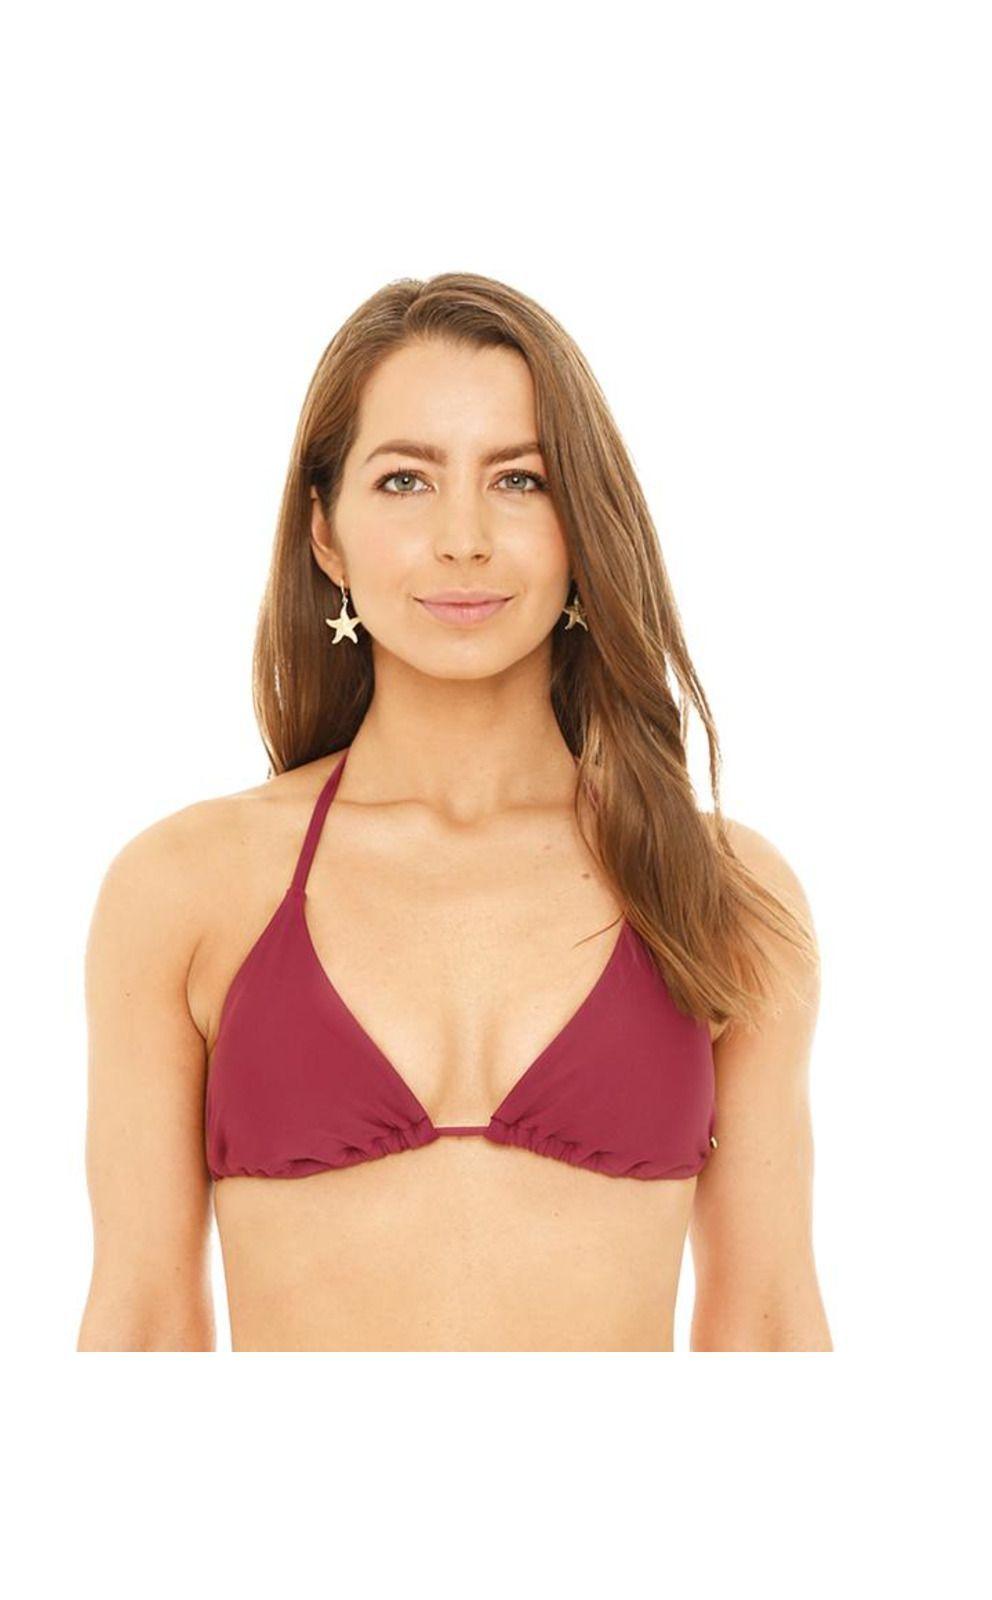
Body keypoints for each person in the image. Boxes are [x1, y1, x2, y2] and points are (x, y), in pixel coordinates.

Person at [76, 272, 831, 1352]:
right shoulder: (187, 886)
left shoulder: (723, 887)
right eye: (404, 481)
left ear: (582, 525)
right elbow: (144, 1325)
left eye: (520, 479)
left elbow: (767, 1324)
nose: (464, 538)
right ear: (325, 533)